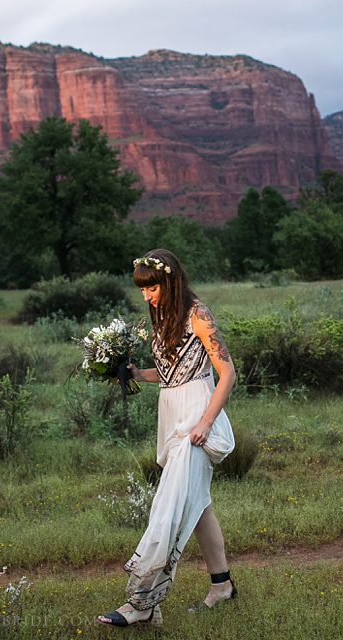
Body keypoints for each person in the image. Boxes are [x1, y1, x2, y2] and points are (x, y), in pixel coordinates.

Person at [97, 248, 238, 627]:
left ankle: (142, 602)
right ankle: (222, 585)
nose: (146, 296)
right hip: (171, 414)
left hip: (197, 418)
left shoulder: (198, 314)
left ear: (171, 279)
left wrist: (206, 422)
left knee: (169, 506)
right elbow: (173, 373)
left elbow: (228, 374)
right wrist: (135, 373)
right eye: (142, 290)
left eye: (151, 287)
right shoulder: (162, 317)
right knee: (198, 503)